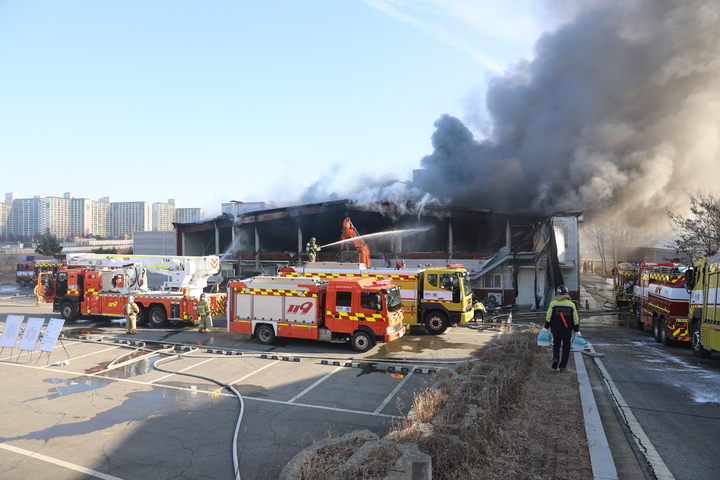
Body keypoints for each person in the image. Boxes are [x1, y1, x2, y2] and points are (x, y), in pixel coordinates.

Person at [544, 285, 580, 371]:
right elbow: (575, 318)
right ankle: (563, 366)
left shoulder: (553, 304)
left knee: (556, 345)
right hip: (567, 330)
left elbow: (548, 316)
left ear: (557, 293)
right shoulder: (571, 305)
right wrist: (576, 330)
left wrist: (546, 327)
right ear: (567, 293)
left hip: (555, 329)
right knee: (566, 348)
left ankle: (556, 358)